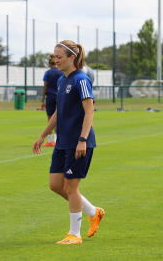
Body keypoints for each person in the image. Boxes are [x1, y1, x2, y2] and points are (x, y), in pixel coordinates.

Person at [32, 40, 104, 245]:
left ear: (71, 58)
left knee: (71, 187)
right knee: (55, 185)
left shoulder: (81, 79)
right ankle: (94, 211)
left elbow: (89, 112)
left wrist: (82, 140)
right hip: (63, 142)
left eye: (59, 57)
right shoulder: (62, 81)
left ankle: (75, 234)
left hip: (79, 142)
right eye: (54, 56)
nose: (55, 60)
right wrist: (43, 135)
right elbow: (57, 113)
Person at [41, 54, 64, 147]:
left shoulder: (47, 73)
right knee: (58, 118)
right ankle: (57, 140)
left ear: (50, 64)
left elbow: (45, 86)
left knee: (50, 119)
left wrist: (42, 100)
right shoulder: (62, 72)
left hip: (50, 96)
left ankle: (50, 141)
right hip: (59, 96)